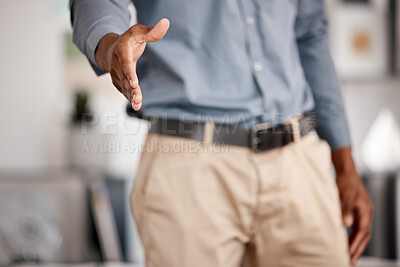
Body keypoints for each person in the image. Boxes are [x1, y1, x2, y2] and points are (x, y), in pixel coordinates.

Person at [70, 0, 373, 266]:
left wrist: (345, 164)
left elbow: (310, 35)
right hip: (189, 166)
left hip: (299, 163)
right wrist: (111, 47)